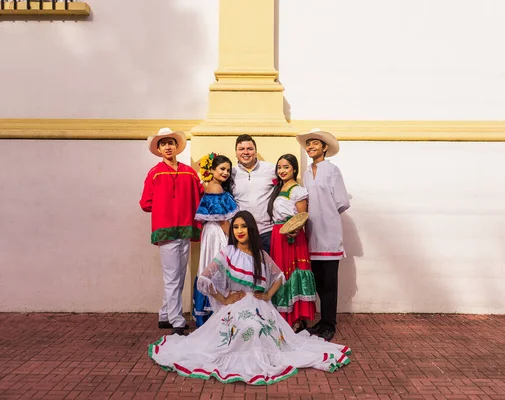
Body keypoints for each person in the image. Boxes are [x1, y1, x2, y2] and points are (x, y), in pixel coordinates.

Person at [148, 210, 350, 385]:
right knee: (248, 329)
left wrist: (268, 294)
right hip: (235, 307)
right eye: (235, 227)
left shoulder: (260, 255)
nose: (239, 230)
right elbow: (204, 279)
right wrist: (224, 299)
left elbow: (279, 276)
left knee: (260, 331)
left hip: (261, 307)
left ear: (251, 229)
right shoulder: (227, 253)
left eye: (243, 226)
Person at [139, 127, 205, 336]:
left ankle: (165, 314)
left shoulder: (189, 172)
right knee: (172, 276)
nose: (168, 147)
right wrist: (164, 208)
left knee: (178, 274)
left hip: (184, 229)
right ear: (159, 149)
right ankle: (177, 319)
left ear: (177, 146)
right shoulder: (155, 173)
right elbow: (145, 202)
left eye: (170, 143)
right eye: (163, 144)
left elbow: (200, 193)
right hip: (166, 231)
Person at [296, 128, 350, 342]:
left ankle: (330, 323)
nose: (310, 147)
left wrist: (326, 215)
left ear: (324, 147)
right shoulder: (307, 172)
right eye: (308, 144)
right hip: (312, 234)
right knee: (318, 282)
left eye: (315, 143)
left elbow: (342, 201)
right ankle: (322, 321)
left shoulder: (332, 170)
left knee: (329, 283)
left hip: (329, 234)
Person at [267, 154, 316, 332]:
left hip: (292, 237)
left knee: (293, 275)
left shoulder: (298, 190)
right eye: (279, 167)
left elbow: (302, 216)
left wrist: (294, 230)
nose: (282, 170)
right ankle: (281, 317)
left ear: (294, 169)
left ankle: (295, 319)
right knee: (280, 276)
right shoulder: (277, 189)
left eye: (286, 167)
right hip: (277, 235)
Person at [192, 154, 238, 327]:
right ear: (212, 170)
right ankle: (217, 315)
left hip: (213, 231)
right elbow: (222, 219)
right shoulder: (215, 188)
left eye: (228, 170)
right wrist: (233, 240)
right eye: (222, 169)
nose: (225, 172)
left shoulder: (215, 186)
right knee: (218, 267)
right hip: (218, 232)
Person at [231, 134, 276, 253]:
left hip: (267, 232)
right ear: (236, 152)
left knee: (267, 270)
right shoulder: (231, 173)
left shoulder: (271, 169)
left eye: (249, 149)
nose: (245, 152)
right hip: (242, 234)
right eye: (241, 149)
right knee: (243, 271)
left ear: (255, 152)